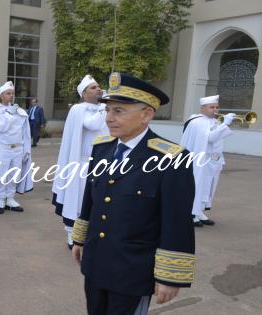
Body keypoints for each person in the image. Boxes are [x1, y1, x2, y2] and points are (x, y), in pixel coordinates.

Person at [71, 72, 196, 315]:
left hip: (133, 270)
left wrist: (170, 276)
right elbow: (91, 198)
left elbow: (177, 221)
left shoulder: (171, 159)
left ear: (146, 114)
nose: (109, 118)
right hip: (96, 261)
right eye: (107, 110)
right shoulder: (102, 148)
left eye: (118, 111)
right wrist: (80, 237)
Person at [52, 74, 108, 249]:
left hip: (102, 162)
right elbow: (92, 125)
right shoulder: (79, 109)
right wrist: (105, 107)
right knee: (78, 200)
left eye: (98, 86)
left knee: (98, 200)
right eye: (93, 87)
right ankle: (72, 233)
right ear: (83, 94)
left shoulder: (104, 108)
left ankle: (92, 232)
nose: (98, 89)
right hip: (82, 162)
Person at [180, 95, 234, 227]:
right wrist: (225, 124)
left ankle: (199, 212)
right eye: (211, 107)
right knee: (197, 186)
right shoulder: (197, 122)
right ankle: (191, 213)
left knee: (208, 187)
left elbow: (216, 140)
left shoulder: (212, 121)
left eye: (216, 107)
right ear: (202, 108)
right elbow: (210, 138)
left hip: (212, 161)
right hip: (200, 161)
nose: (215, 110)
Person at [0, 81, 33, 214]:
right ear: (1, 95)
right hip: (1, 147)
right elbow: (0, 127)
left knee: (14, 174)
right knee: (1, 174)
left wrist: (26, 149)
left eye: (12, 93)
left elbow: (25, 132)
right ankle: (0, 199)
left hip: (17, 147)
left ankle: (10, 198)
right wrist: (10, 115)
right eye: (8, 93)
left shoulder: (19, 111)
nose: (11, 96)